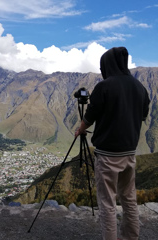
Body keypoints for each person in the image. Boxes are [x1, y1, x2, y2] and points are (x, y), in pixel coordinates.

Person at [75, 47, 150, 240]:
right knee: (129, 199)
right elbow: (142, 116)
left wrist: (80, 129)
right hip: (129, 153)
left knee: (108, 203)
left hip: (108, 156)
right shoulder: (140, 87)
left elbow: (90, 116)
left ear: (106, 65)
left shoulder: (104, 86)